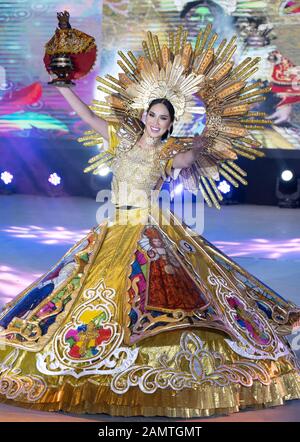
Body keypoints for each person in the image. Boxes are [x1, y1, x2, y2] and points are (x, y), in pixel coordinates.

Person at [0, 25, 299, 418]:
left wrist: (206, 133)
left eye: (165, 119)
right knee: (86, 292)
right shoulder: (120, 140)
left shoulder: (168, 155)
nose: (158, 122)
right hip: (113, 227)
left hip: (149, 227)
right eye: (154, 115)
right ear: (144, 115)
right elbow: (88, 116)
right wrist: (64, 86)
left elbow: (190, 159)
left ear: (171, 125)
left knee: (152, 293)